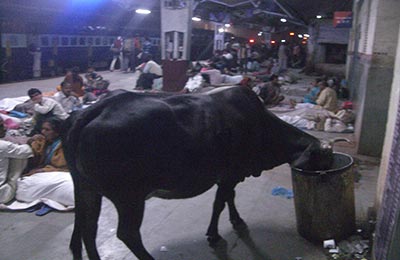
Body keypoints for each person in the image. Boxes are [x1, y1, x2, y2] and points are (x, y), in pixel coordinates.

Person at [16, 117, 73, 216]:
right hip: (45, 171)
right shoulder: (46, 141)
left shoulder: (65, 145)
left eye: (47, 130)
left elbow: (63, 167)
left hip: (60, 173)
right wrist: (32, 141)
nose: (43, 132)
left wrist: (43, 170)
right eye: (42, 129)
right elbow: (35, 154)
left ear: (57, 132)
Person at [0, 117, 33, 204]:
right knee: (18, 157)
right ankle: (13, 185)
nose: (4, 128)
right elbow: (27, 151)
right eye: (1, 126)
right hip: (2, 195)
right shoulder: (3, 146)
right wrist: (30, 141)